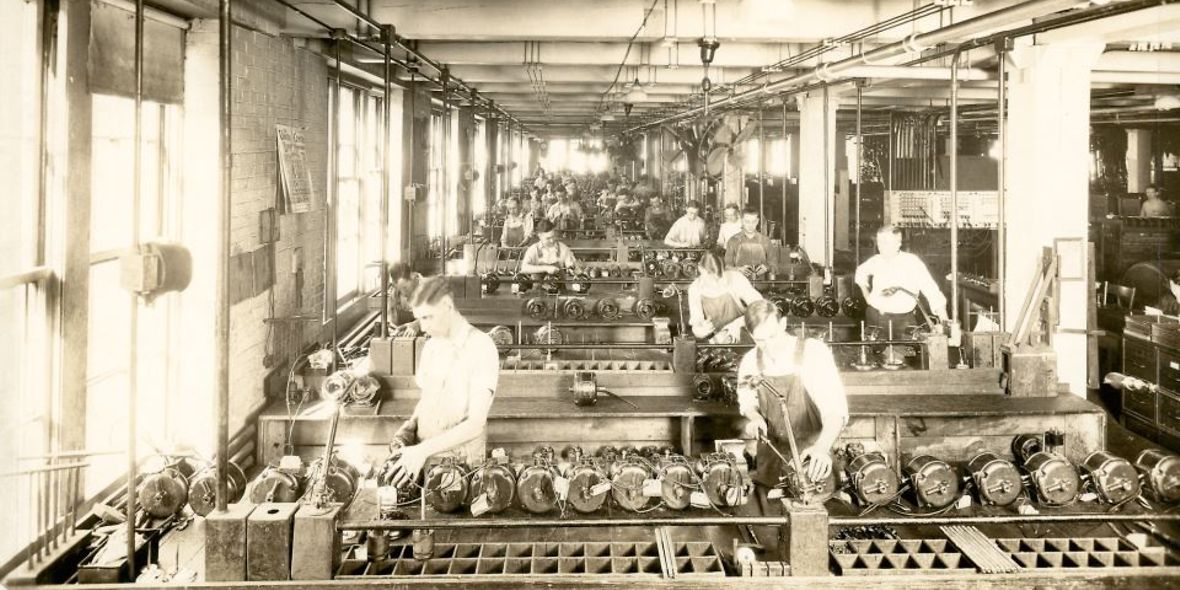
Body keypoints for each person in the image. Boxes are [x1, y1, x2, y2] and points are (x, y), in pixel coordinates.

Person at [734, 300, 848, 554]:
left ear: (783, 324)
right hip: (772, 465)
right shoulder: (751, 361)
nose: (769, 346)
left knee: (817, 543)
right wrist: (755, 418)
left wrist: (821, 448)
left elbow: (835, 411)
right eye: (760, 340)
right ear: (751, 336)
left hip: (813, 465)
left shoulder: (812, 353)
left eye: (772, 336)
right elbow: (747, 401)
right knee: (771, 543)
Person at [385, 277, 500, 488]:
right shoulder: (432, 347)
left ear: (447, 305)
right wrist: (410, 427)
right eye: (419, 319)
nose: (423, 327)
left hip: (460, 467)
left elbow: (475, 424)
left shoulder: (481, 347)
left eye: (428, 317)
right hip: (424, 459)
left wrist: (421, 451)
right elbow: (427, 399)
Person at [853, 225, 948, 337]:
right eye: (879, 242)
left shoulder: (912, 262)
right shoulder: (876, 261)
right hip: (876, 318)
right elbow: (860, 272)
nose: (880, 247)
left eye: (885, 242)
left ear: (898, 243)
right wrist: (867, 296)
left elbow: (931, 290)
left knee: (907, 347)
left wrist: (945, 322)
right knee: (874, 348)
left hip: (904, 321)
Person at [687, 252, 764, 343]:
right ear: (701, 269)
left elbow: (761, 307)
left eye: (719, 278)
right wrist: (701, 331)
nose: (715, 284)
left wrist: (737, 324)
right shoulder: (695, 289)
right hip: (718, 342)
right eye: (710, 278)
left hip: (744, 338)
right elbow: (696, 324)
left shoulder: (736, 279)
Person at [724, 209, 778, 277]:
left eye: (753, 221)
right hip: (739, 281)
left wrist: (767, 268)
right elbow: (727, 267)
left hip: (762, 282)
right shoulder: (733, 241)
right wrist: (738, 269)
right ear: (742, 221)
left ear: (757, 221)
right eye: (747, 221)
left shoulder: (766, 241)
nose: (750, 225)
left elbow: (775, 266)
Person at [386, 263, 423, 337]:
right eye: (400, 289)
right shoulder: (395, 294)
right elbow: (391, 320)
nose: (403, 292)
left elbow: (439, 315)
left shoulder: (428, 287)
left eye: (405, 287)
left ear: (412, 277)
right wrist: (393, 329)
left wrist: (418, 324)